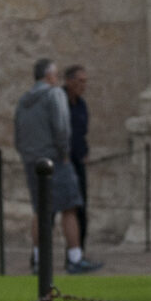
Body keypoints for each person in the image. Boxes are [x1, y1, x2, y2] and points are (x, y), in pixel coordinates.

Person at [16, 58, 98, 272]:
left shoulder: (24, 100)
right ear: (49, 76)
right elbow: (62, 127)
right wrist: (64, 154)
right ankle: (74, 257)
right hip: (55, 159)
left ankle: (38, 259)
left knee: (40, 210)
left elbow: (18, 134)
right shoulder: (55, 94)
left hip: (32, 159)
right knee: (70, 208)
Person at [64, 64, 92, 254]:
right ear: (69, 81)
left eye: (85, 81)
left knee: (80, 209)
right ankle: (39, 258)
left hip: (77, 162)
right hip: (61, 162)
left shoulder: (81, 105)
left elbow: (81, 132)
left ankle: (77, 253)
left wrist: (84, 152)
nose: (83, 85)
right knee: (52, 210)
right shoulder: (58, 101)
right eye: (79, 81)